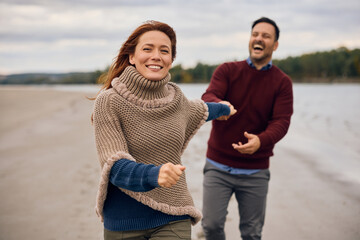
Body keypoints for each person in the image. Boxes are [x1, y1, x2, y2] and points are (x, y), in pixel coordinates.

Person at [92, 20, 236, 240]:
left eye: (164, 51)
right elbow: (115, 167)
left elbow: (201, 109)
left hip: (173, 213)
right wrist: (154, 174)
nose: (156, 56)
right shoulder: (109, 101)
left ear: (171, 60)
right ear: (132, 56)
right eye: (147, 49)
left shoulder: (177, 100)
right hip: (124, 221)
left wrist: (224, 108)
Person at [201, 17, 294, 240]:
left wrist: (261, 141)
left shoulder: (282, 82)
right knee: (211, 226)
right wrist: (219, 106)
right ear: (250, 39)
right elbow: (209, 96)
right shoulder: (227, 70)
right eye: (255, 34)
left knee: (252, 234)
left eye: (266, 36)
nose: (259, 39)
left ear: (275, 45)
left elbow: (282, 121)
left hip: (256, 171)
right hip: (218, 165)